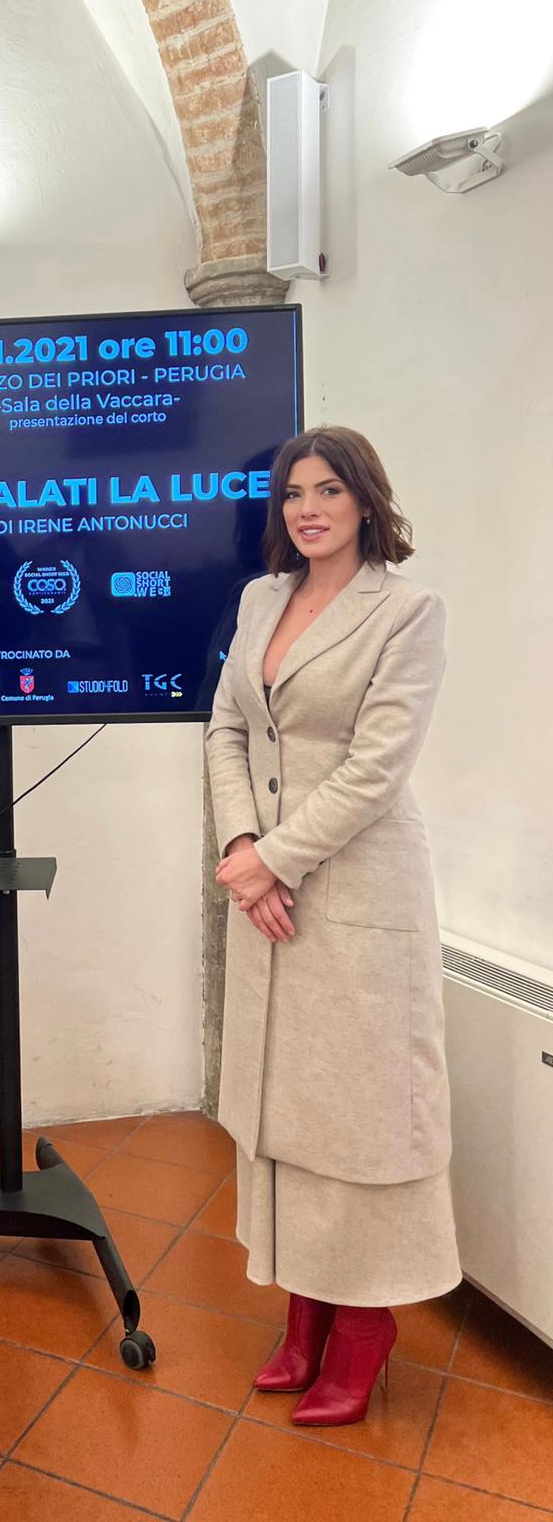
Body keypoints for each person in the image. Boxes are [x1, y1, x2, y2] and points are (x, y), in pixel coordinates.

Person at [205, 426, 458, 1427]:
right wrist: (241, 843)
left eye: (328, 491)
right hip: (266, 888)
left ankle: (363, 1325)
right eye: (294, 494)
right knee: (284, 1104)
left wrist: (273, 859)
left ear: (365, 501)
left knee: (357, 1112)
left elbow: (376, 768)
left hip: (356, 890)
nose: (308, 509)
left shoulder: (406, 611)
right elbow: (227, 726)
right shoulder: (259, 600)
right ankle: (304, 1306)